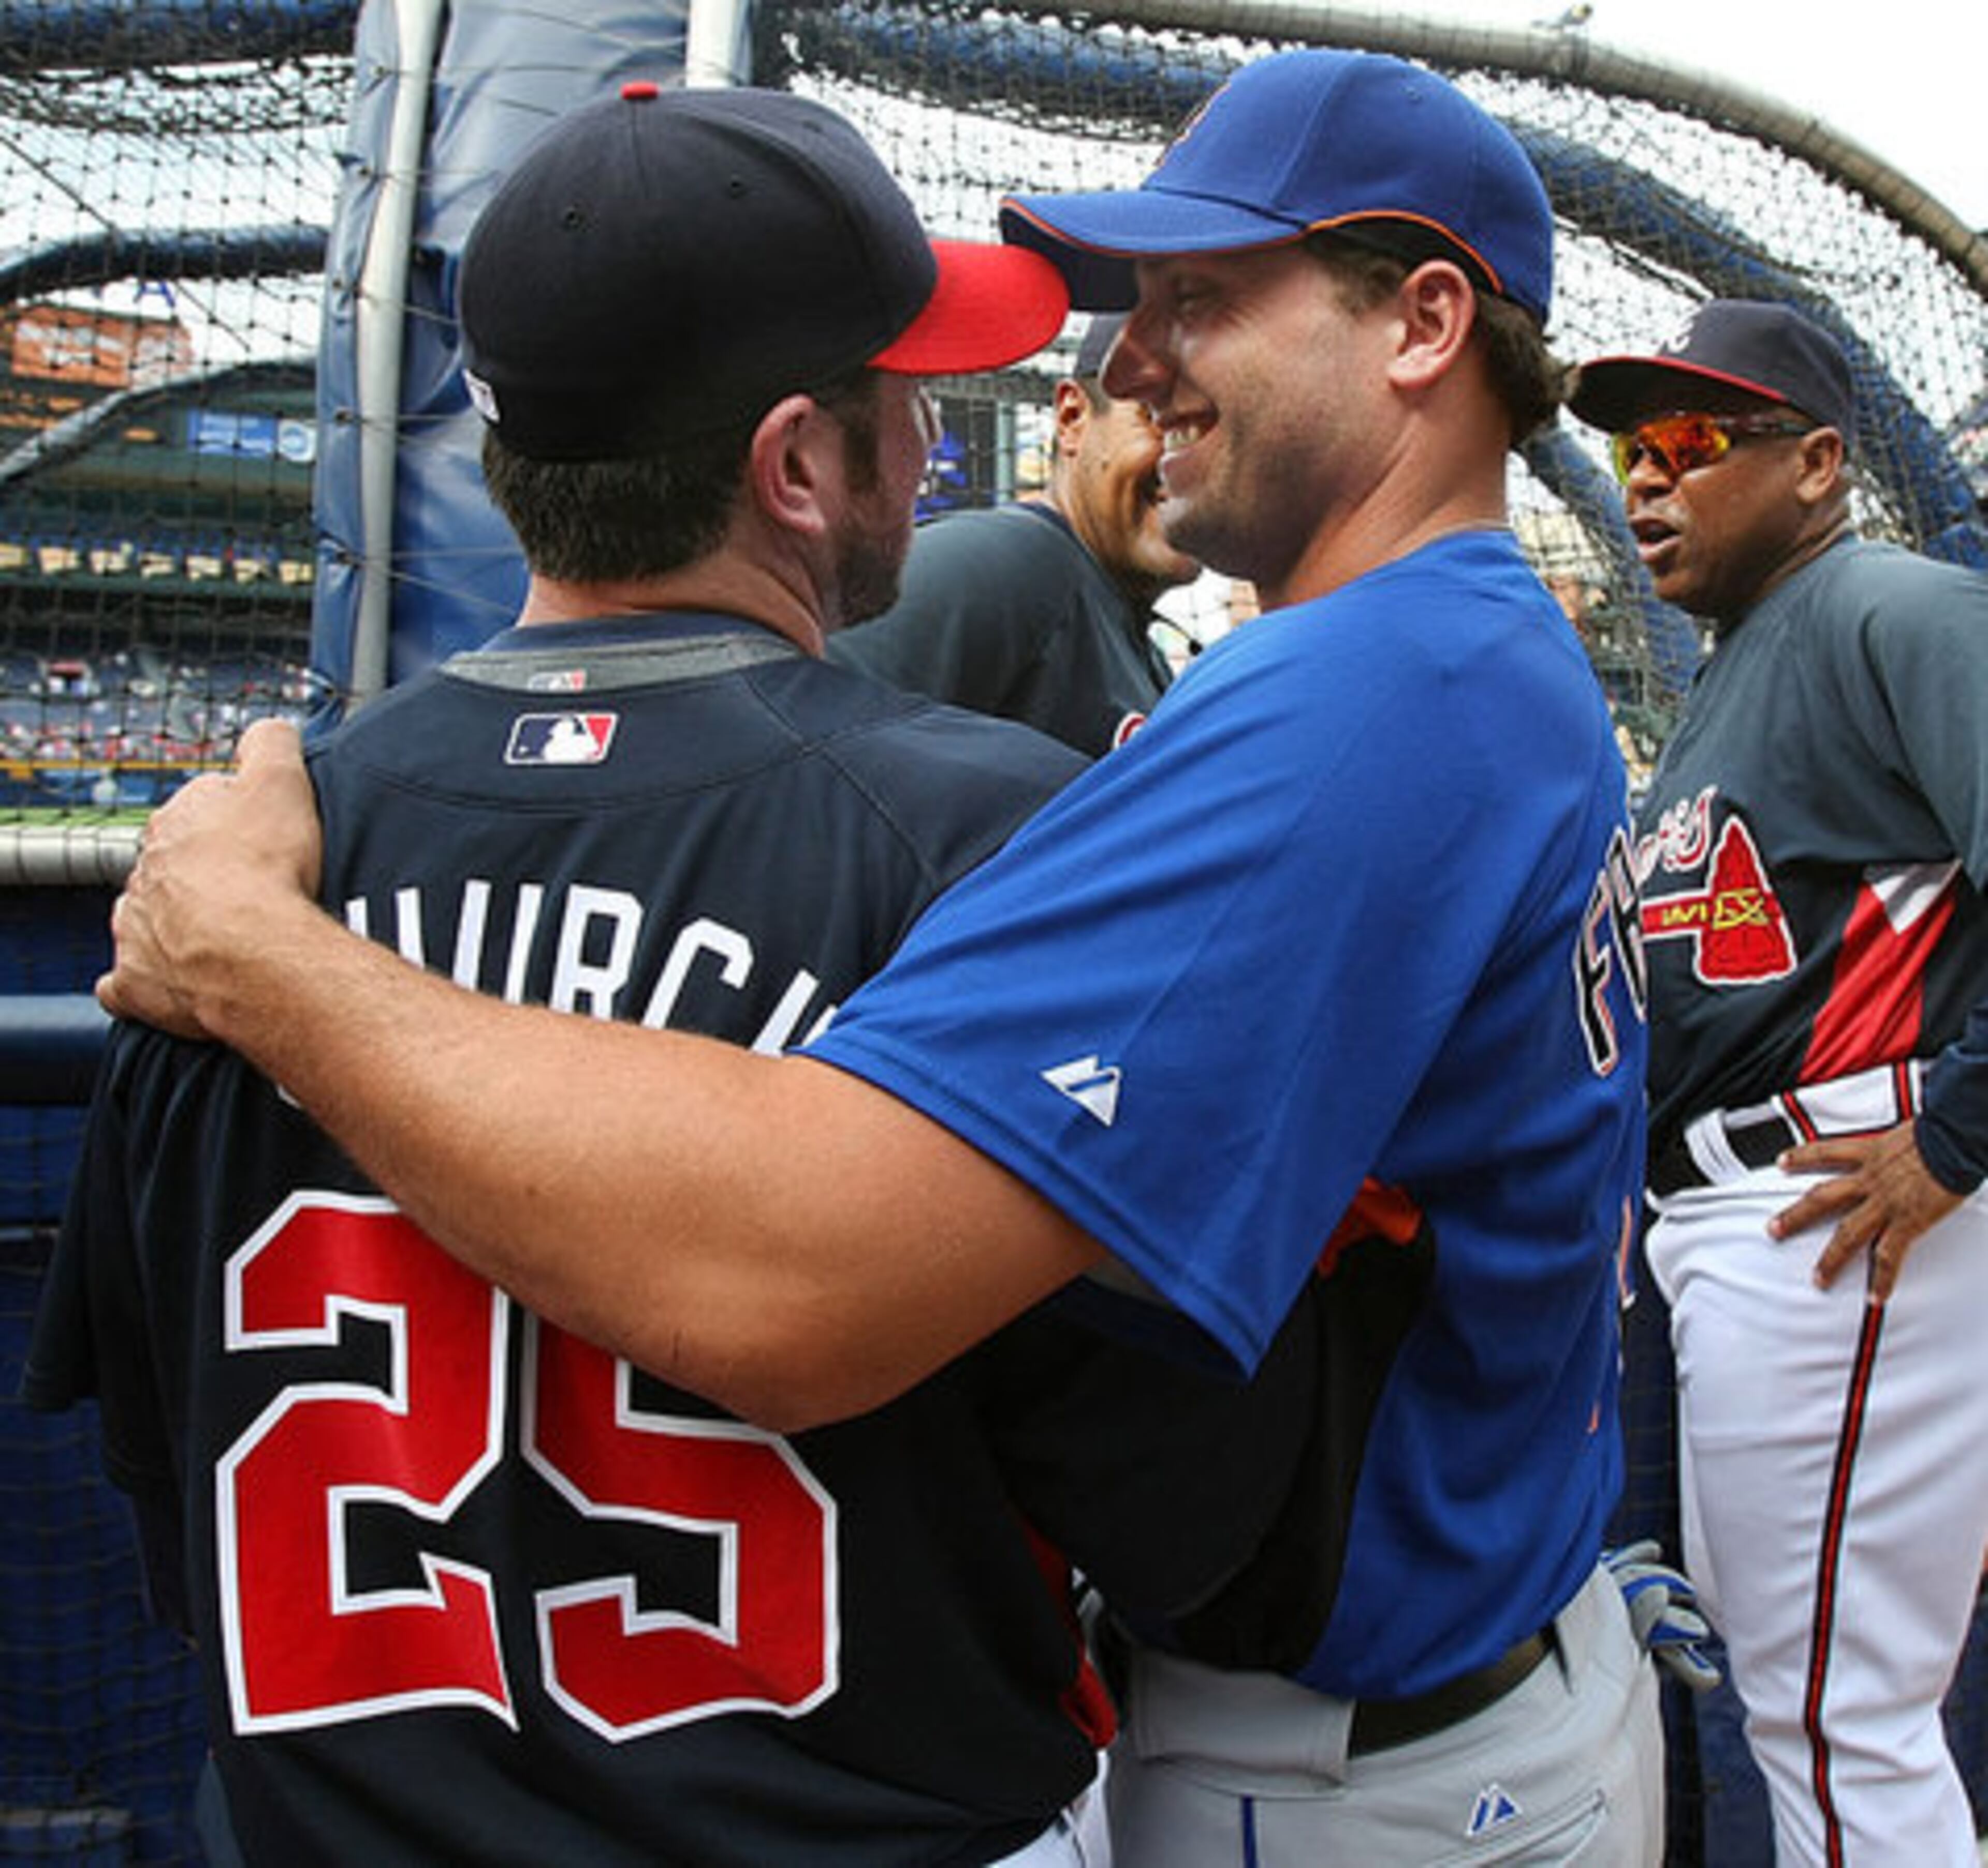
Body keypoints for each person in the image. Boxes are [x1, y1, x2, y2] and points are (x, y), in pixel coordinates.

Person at [91, 49, 1664, 1864]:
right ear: (798, 459)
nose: (1126, 368)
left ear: (1425, 327)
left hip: (1368, 1761)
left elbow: (799, 1286)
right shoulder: (1444, 659)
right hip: (1353, 1702)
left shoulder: (1385, 685)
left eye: (1194, 302)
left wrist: (267, 962)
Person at [1570, 298, 1988, 1866]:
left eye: (1692, 442)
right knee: (1806, 1706)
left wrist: (1951, 1135)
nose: (1645, 480)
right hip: (1748, 1224)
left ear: (1815, 460)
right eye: (1630, 448)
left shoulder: (1891, 607)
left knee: (1836, 1724)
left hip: (1843, 1204)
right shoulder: (1741, 664)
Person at [829, 311, 1196, 753]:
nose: (1187, 457)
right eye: (1159, 416)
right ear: (1072, 418)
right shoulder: (999, 563)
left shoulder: (1129, 631)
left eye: (1209, 427)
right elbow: (793, 748)